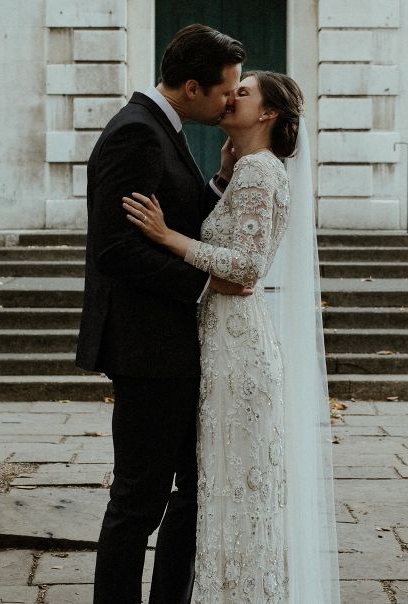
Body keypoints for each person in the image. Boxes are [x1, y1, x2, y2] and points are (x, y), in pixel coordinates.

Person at [124, 71, 340, 602]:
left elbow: (245, 268)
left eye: (243, 92)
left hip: (237, 348)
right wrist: (221, 177)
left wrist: (166, 236)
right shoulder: (245, 170)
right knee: (221, 485)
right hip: (221, 340)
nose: (230, 96)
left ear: (267, 114)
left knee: (233, 486)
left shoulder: (261, 172)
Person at [75, 24, 248, 603]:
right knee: (137, 502)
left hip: (169, 348)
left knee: (192, 491)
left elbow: (177, 216)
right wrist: (204, 287)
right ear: (193, 87)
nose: (232, 101)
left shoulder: (160, 128)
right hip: (147, 349)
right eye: (227, 91)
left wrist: (220, 178)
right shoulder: (136, 134)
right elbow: (116, 249)